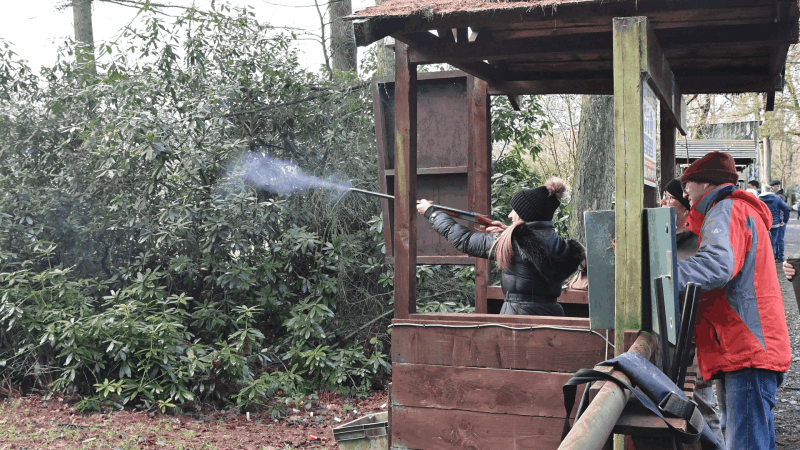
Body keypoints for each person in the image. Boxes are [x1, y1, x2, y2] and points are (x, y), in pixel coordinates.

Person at [677, 151, 791, 450]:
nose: (684, 192)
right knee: (750, 438)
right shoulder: (736, 210)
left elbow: (716, 267)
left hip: (746, 346)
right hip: (744, 345)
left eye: (687, 184)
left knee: (746, 442)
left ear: (706, 183)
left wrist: (660, 272)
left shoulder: (726, 209)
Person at [415, 177, 584, 316]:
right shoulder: (561, 243)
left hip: (518, 319)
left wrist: (432, 213)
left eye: (515, 211)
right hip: (553, 315)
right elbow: (532, 245)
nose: (510, 215)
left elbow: (464, 240)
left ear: (527, 215)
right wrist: (508, 231)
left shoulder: (512, 241)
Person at [661, 178, 725, 445]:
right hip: (678, 340)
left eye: (669, 198)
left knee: (703, 406)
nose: (663, 203)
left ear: (684, 205)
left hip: (699, 341)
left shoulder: (700, 242)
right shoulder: (666, 239)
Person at [759, 186, 791, 262]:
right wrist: (784, 221)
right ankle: (772, 260)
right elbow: (787, 208)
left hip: (763, 223)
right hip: (775, 223)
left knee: (763, 243)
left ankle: (765, 260)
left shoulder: (759, 199)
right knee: (774, 242)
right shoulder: (777, 198)